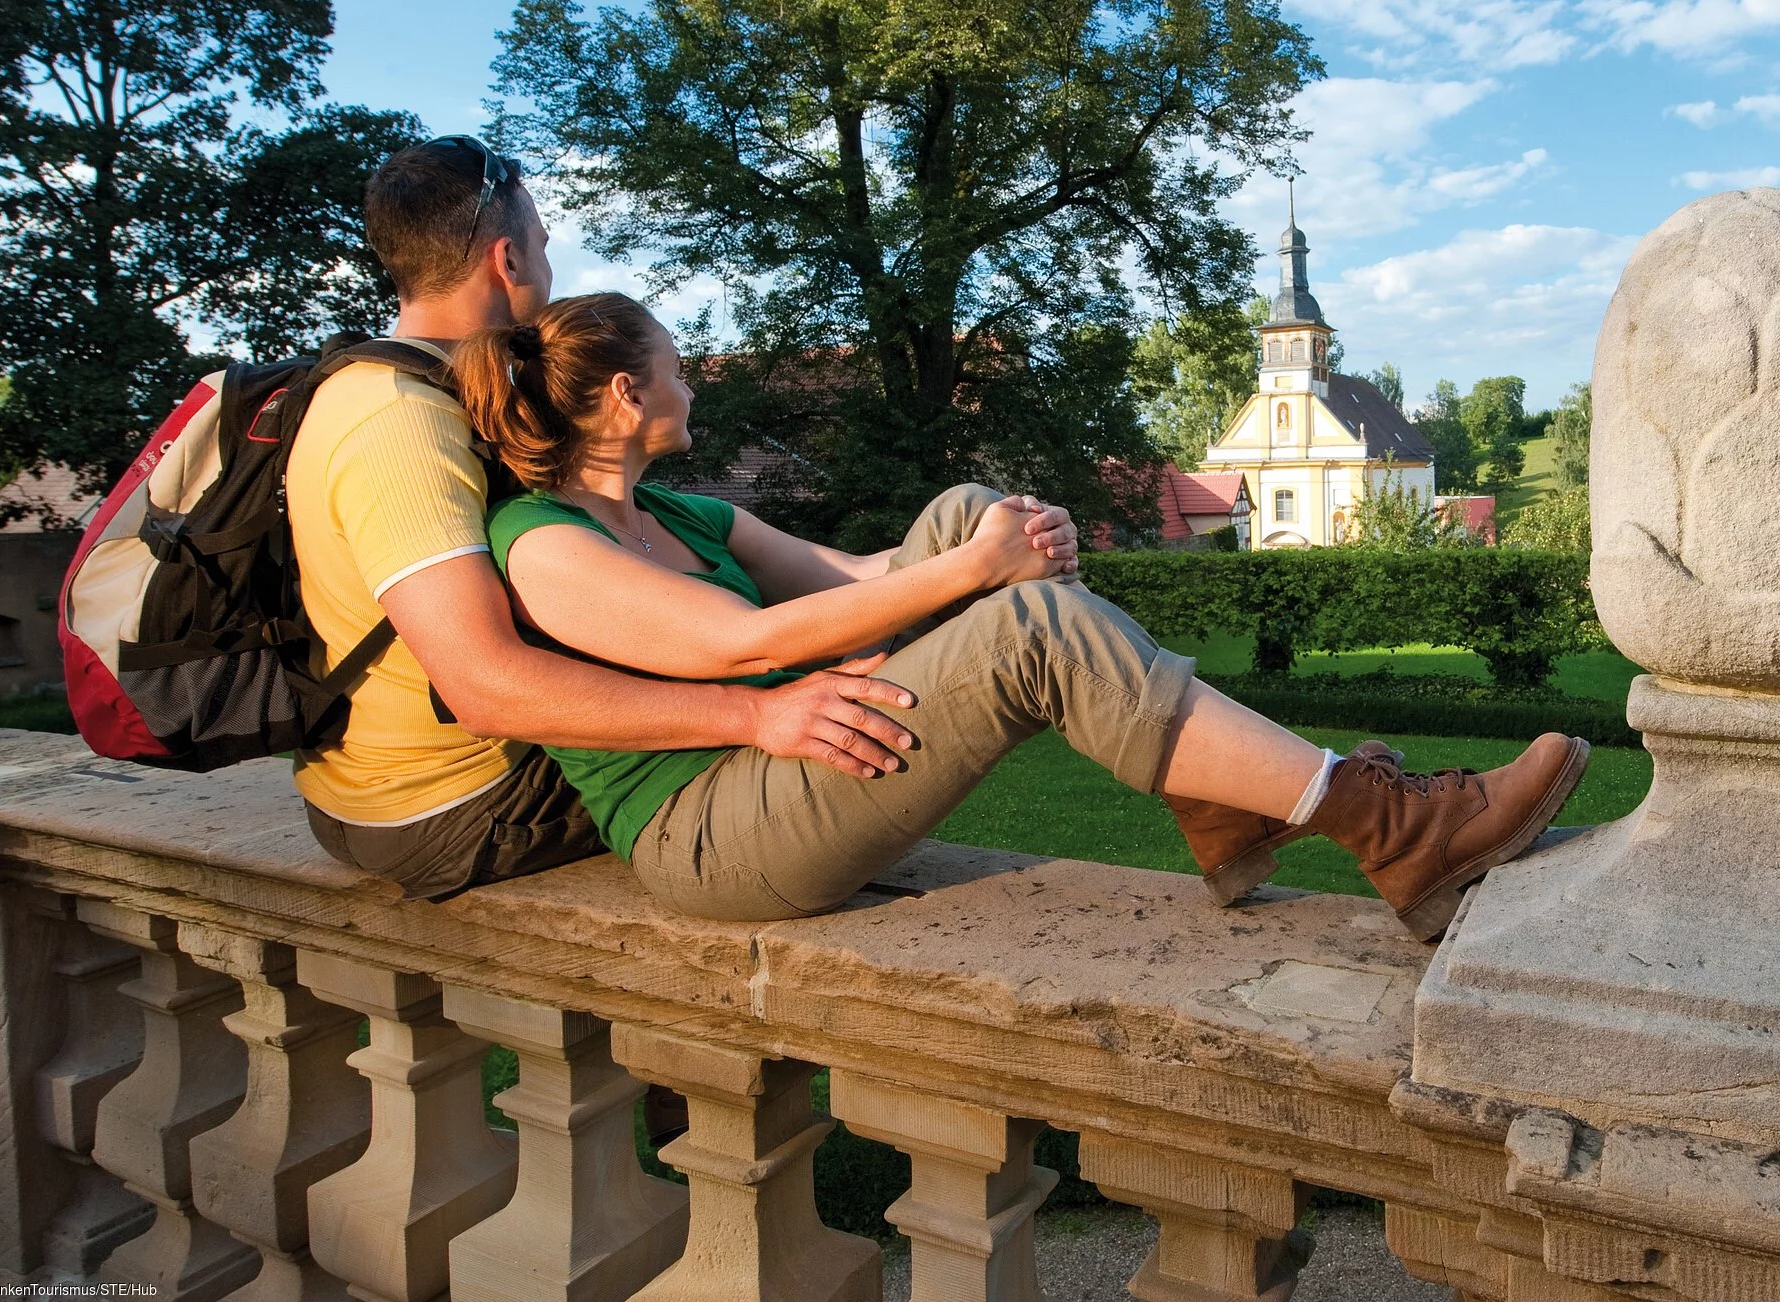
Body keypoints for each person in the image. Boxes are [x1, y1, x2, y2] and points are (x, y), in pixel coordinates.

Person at [449, 291, 1591, 939]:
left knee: (963, 509)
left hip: (807, 738)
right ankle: (1387, 828)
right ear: (624, 396)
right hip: (710, 834)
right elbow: (737, 646)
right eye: (678, 371)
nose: (692, 386)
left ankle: (1226, 798)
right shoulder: (546, 545)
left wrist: (1001, 539)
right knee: (1029, 629)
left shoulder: (684, 515)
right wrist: (986, 578)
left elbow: (859, 575)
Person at [283, 137, 980, 901]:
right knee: (814, 736)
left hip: (394, 780)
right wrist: (757, 713)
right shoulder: (400, 421)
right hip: (452, 803)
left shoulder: (410, 391)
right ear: (509, 260)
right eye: (545, 249)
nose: (550, 275)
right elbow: (484, 685)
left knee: (850, 664)